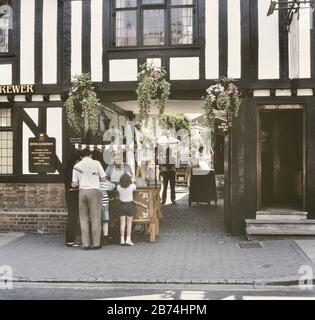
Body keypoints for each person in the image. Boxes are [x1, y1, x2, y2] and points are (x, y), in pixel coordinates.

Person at [72, 148, 106, 250]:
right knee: (96, 218)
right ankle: (96, 243)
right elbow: (103, 178)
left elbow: (74, 184)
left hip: (82, 192)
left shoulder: (77, 166)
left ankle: (85, 244)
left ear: (81, 156)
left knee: (83, 219)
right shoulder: (96, 163)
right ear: (91, 155)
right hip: (94, 191)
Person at [64, 148, 81, 247]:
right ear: (76, 161)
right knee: (72, 217)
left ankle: (71, 239)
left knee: (72, 217)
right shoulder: (72, 170)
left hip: (70, 194)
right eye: (79, 161)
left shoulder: (69, 169)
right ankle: (70, 241)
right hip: (72, 194)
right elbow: (73, 184)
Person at [117, 174, 136, 246]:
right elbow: (135, 186)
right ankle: (128, 239)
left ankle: (122, 239)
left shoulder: (118, 187)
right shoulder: (131, 186)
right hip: (129, 205)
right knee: (129, 224)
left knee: (122, 223)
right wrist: (133, 179)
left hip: (122, 205)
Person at [100, 179, 116, 246]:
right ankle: (105, 238)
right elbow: (113, 186)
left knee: (97, 222)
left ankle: (98, 238)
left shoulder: (93, 182)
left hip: (96, 205)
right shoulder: (105, 183)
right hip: (105, 205)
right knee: (105, 222)